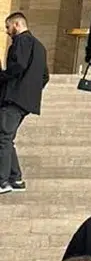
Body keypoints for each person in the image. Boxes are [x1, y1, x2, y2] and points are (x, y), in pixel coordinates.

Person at [0, 11, 47, 195]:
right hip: (26, 100)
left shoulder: (21, 41)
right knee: (6, 138)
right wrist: (30, 90)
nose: (7, 31)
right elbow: (45, 76)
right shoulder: (40, 47)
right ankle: (15, 178)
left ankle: (3, 182)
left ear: (17, 24)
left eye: (7, 26)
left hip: (13, 97)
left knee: (3, 138)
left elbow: (17, 65)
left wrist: (3, 77)